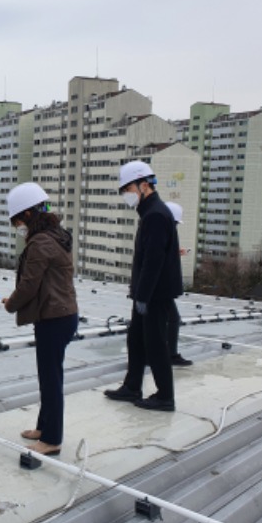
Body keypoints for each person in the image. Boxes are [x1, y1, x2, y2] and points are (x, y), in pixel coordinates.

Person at [2, 182, 79, 456]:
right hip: (62, 314)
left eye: (17, 222)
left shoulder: (41, 243)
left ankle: (52, 440)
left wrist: (11, 304)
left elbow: (29, 285)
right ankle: (44, 428)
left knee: (51, 379)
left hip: (53, 318)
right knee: (49, 376)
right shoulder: (56, 235)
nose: (18, 228)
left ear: (27, 215)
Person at [104, 161, 183, 411]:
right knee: (136, 339)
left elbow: (154, 260)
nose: (126, 195)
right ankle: (132, 386)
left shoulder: (156, 215)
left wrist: (144, 297)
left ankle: (165, 396)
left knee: (156, 343)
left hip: (154, 294)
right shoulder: (150, 212)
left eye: (128, 189)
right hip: (146, 292)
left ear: (144, 186)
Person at [164, 201, 193, 367]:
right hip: (161, 288)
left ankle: (165, 354)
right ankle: (170, 354)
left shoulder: (163, 230)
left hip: (159, 288)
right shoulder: (164, 231)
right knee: (172, 319)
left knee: (165, 320)